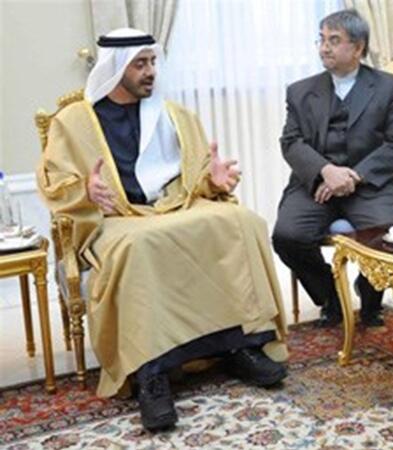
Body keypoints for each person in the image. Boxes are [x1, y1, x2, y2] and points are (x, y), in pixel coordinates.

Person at [37, 28, 289, 432]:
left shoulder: (173, 115)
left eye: (153, 62)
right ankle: (151, 373)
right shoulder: (74, 122)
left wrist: (212, 180)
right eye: (140, 64)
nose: (150, 71)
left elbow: (194, 175)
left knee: (240, 222)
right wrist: (85, 189)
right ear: (116, 67)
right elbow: (55, 183)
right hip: (115, 217)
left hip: (174, 204)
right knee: (141, 245)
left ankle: (242, 345)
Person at [273, 9, 393, 328]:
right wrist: (326, 171)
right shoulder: (300, 91)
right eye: (321, 39)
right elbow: (291, 142)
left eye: (334, 40)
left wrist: (354, 176)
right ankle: (331, 296)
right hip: (315, 186)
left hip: (368, 185)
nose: (324, 48)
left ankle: (371, 296)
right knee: (287, 236)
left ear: (358, 47)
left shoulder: (388, 87)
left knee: (388, 233)